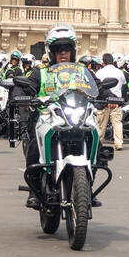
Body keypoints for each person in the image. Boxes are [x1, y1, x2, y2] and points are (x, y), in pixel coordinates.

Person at [20, 24, 81, 208]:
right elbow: (27, 85)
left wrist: (108, 96)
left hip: (74, 116)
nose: (63, 53)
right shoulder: (42, 72)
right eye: (58, 49)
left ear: (73, 51)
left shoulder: (81, 71)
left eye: (67, 49)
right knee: (34, 148)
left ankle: (86, 186)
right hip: (47, 117)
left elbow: (98, 86)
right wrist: (20, 95)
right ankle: (34, 190)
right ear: (51, 51)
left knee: (98, 141)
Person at [95, 53, 126, 151]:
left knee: (101, 124)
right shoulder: (119, 72)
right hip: (116, 100)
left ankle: (98, 143)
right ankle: (118, 144)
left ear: (103, 62)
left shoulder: (99, 72)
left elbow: (96, 86)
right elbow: (124, 83)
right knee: (117, 123)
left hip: (104, 101)